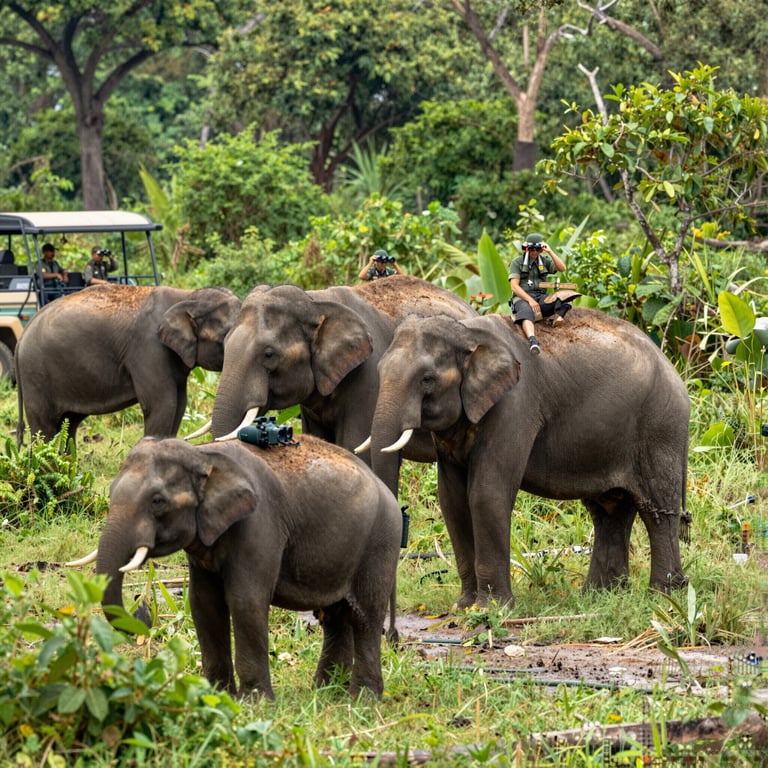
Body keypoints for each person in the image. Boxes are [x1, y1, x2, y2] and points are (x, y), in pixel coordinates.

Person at [508, 233, 569, 355]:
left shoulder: (544, 261)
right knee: (526, 311)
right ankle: (532, 340)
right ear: (526, 248)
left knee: (565, 297)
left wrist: (550, 251)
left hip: (541, 296)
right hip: (522, 297)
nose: (534, 252)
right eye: (532, 249)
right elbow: (514, 286)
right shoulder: (517, 262)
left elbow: (562, 268)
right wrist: (530, 300)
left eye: (537, 249)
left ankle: (557, 318)